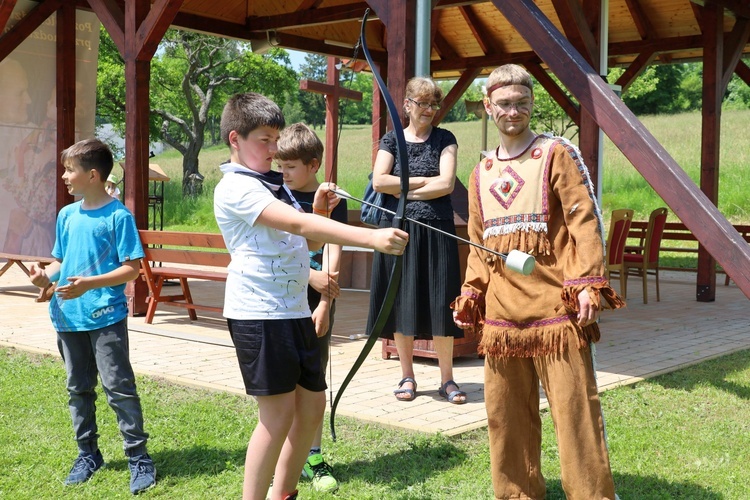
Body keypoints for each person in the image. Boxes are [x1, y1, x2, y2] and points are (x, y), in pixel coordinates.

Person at [213, 92, 408, 500]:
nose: (274, 148)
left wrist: (318, 212)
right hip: (260, 313)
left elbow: (297, 232)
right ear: (236, 138)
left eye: (276, 138)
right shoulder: (236, 188)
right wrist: (370, 237)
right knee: (278, 415)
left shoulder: (267, 184)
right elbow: (298, 228)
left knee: (312, 406)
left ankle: (282, 494)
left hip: (291, 311)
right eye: (265, 140)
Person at [451, 64, 625, 499]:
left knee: (575, 415)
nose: (514, 111)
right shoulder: (481, 171)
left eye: (522, 103)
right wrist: (471, 293)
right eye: (505, 104)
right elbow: (477, 241)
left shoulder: (556, 153)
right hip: (502, 322)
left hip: (556, 312)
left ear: (532, 104)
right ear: (488, 106)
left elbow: (583, 219)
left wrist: (587, 282)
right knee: (505, 419)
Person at [28, 138, 156, 495]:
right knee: (78, 388)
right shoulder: (67, 216)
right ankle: (88, 454)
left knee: (119, 389)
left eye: (70, 170)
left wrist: (91, 285)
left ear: (94, 175)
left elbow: (131, 268)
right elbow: (60, 261)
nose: (65, 177)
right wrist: (46, 277)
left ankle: (139, 458)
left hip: (105, 318)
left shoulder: (118, 216)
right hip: (68, 318)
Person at [367, 76, 466, 404]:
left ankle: (447, 379)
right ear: (407, 105)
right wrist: (426, 181)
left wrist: (404, 185)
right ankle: (407, 375)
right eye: (421, 103)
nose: (428, 110)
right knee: (402, 302)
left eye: (433, 104)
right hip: (397, 230)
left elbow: (447, 184)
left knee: (441, 302)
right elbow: (380, 182)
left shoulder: (445, 139)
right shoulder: (391, 140)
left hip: (437, 229)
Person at [276, 122, 345, 494]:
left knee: (313, 380)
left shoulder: (332, 199)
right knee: (283, 383)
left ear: (313, 164)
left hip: (316, 304)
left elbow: (335, 245)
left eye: (290, 167)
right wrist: (310, 277)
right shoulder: (274, 195)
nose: (282, 172)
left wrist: (325, 303)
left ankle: (313, 456)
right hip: (281, 299)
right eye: (280, 165)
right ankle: (286, 456)